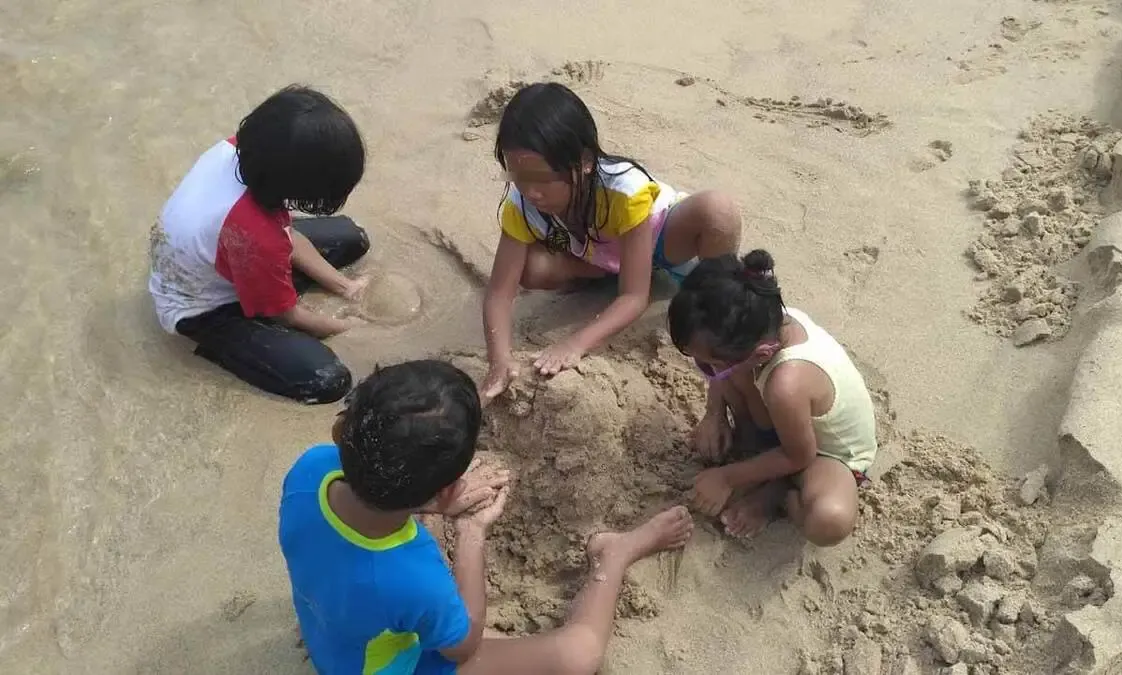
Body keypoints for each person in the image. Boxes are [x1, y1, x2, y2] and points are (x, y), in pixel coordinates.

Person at [278, 360, 695, 675]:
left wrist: (430, 504)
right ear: (445, 489)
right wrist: (471, 530)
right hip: (391, 667)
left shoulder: (310, 468)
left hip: (334, 637)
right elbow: (463, 645)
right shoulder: (412, 576)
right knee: (577, 655)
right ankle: (615, 554)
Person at [480, 82, 742, 402]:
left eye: (544, 179)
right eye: (519, 178)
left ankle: (715, 303)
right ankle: (605, 274)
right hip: (597, 256)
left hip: (659, 241)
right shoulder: (522, 204)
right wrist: (499, 360)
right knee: (531, 269)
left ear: (585, 162)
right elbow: (498, 294)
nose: (532, 193)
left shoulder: (624, 191)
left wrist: (575, 343)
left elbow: (635, 297)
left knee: (718, 211)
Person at [148, 84, 370, 404]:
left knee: (353, 238)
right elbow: (287, 315)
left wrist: (345, 287)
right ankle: (222, 343)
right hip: (200, 308)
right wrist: (345, 326)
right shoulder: (253, 234)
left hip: (219, 251)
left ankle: (267, 290)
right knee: (329, 380)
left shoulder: (241, 150)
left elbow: (286, 236)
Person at [667, 250, 877, 545]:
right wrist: (713, 413)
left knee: (828, 522)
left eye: (707, 365)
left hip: (826, 454)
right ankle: (761, 465)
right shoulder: (761, 318)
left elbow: (800, 454)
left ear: (763, 353)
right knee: (732, 371)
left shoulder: (787, 384)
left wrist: (727, 478)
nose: (708, 371)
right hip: (785, 419)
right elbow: (724, 365)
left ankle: (777, 492)